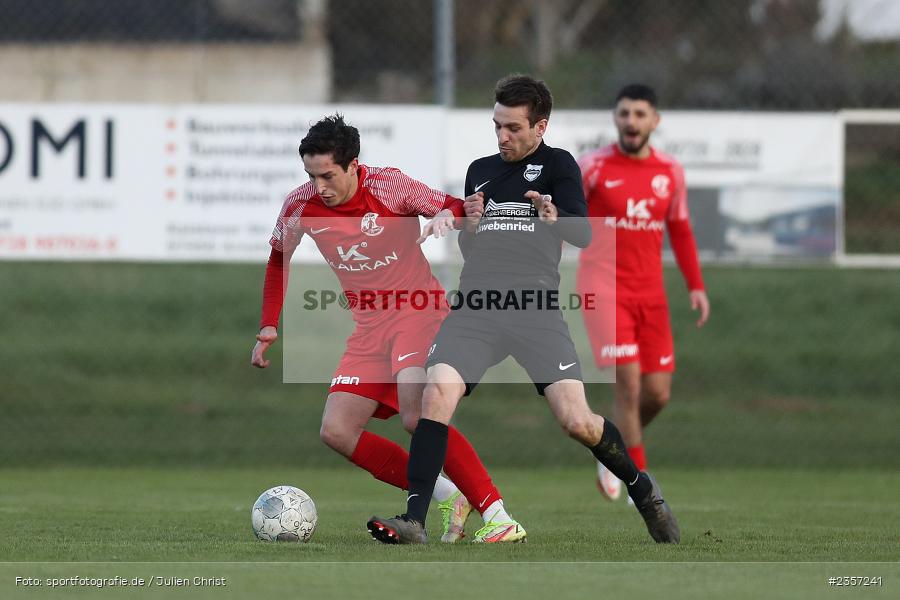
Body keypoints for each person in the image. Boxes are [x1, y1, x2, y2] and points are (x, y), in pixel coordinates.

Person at [367, 75, 680, 545]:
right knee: (435, 396)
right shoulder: (480, 170)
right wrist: (469, 226)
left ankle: (643, 490)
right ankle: (414, 520)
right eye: (497, 126)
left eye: (512, 127)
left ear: (540, 126)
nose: (502, 137)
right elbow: (474, 250)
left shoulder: (558, 165)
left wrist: (555, 216)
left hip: (535, 307)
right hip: (477, 306)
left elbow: (583, 234)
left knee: (577, 420)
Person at [251, 114, 525, 543]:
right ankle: (449, 495)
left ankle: (499, 515)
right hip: (369, 328)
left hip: (419, 313)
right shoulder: (300, 205)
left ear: (353, 165)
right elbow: (277, 257)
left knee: (418, 417)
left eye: (327, 175)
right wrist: (268, 326)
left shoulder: (389, 186)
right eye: (310, 174)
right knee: (337, 431)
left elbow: (454, 204)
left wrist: (446, 217)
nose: (318, 186)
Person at [577, 84, 710, 501]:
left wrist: (697, 287)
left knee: (658, 394)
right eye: (624, 114)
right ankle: (644, 491)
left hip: (650, 293)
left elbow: (681, 229)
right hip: (602, 286)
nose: (630, 122)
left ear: (655, 121)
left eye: (639, 114)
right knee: (628, 387)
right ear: (615, 119)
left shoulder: (670, 171)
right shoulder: (592, 168)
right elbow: (566, 222)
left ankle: (610, 449)